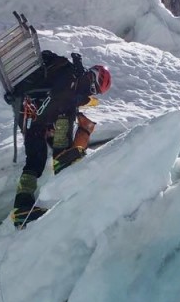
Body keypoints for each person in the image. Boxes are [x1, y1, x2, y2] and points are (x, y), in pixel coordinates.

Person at [11, 50, 111, 228]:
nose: (90, 90)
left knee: (35, 161)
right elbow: (58, 97)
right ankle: (62, 159)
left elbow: (58, 99)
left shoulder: (71, 80)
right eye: (93, 86)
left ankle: (22, 207)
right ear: (90, 75)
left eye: (94, 91)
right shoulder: (69, 77)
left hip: (32, 116)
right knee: (36, 160)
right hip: (31, 114)